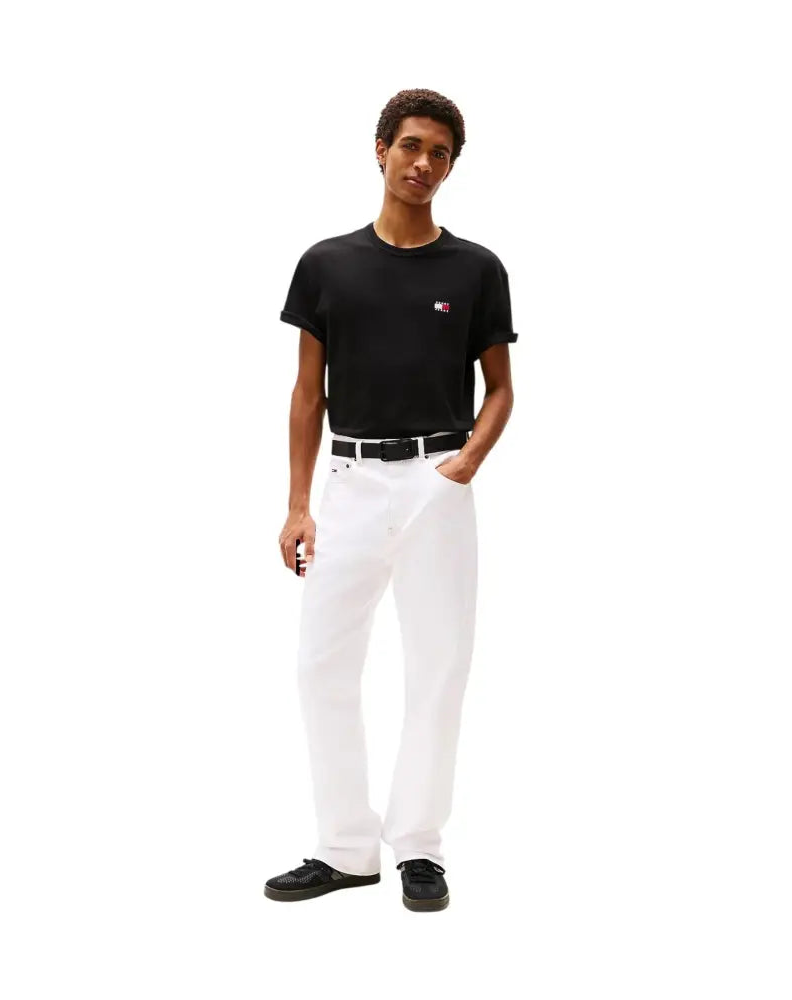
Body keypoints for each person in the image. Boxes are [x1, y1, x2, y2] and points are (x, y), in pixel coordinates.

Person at [265, 88, 517, 911]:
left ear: (451, 166)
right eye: (411, 145)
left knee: (439, 666)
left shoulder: (476, 270)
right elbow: (307, 394)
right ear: (380, 149)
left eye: (441, 153)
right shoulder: (326, 265)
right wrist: (297, 504)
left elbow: (501, 388)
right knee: (321, 665)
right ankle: (345, 848)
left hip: (436, 481)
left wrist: (465, 463)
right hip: (348, 483)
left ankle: (418, 847)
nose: (423, 163)